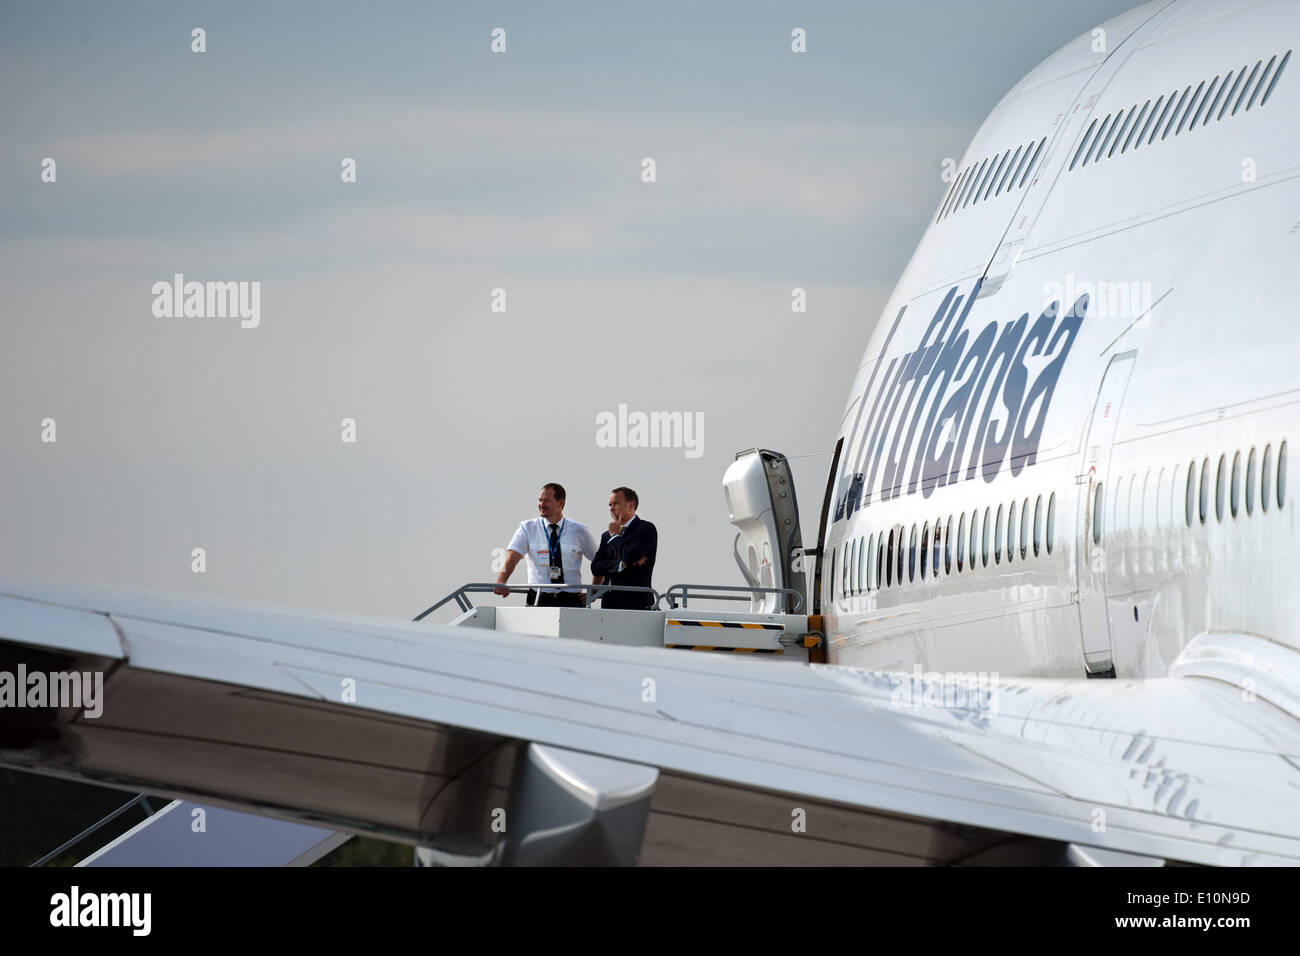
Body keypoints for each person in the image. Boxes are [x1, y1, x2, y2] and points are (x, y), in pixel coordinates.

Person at [494, 483, 599, 607]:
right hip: (539, 598)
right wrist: (501, 581)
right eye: (540, 500)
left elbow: (600, 563)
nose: (541, 505)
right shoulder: (527, 528)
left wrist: (594, 592)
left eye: (547, 501)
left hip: (571, 599)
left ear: (560, 503)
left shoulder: (579, 530)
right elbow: (512, 558)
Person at [591, 486, 657, 609]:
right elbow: (596, 567)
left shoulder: (646, 529)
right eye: (610, 505)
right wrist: (620, 565)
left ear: (631, 505)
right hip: (609, 603)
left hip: (636, 603)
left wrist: (615, 537)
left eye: (615, 504)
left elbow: (629, 556)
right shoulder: (607, 535)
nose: (611, 508)